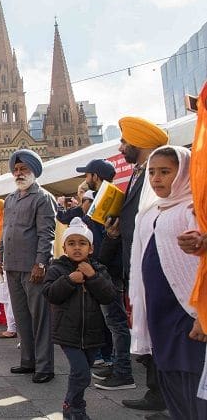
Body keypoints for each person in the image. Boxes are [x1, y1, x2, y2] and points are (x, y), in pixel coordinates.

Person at [128, 146, 206, 418]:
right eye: (151, 172)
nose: (156, 179)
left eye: (165, 172)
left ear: (183, 172)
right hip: (159, 312)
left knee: (194, 379)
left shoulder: (193, 209)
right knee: (169, 374)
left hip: (187, 312)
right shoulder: (149, 213)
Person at [97, 117, 169, 399]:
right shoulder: (140, 173)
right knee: (147, 327)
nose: (121, 146)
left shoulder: (154, 174)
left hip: (150, 265)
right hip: (134, 262)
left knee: (156, 329)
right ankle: (156, 391)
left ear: (139, 143)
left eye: (125, 142)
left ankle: (162, 394)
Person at [43, 218, 116, 420]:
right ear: (65, 247)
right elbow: (49, 293)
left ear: (90, 248)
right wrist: (68, 280)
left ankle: (73, 405)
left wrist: (92, 277)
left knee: (81, 374)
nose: (77, 248)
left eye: (82, 243)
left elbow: (109, 295)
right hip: (68, 332)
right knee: (82, 373)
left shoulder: (98, 269)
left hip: (93, 333)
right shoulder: (57, 268)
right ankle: (74, 406)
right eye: (72, 243)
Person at [0, 148, 57, 384]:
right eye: (16, 169)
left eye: (24, 169)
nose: (19, 173)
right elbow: (5, 232)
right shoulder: (10, 199)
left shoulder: (43, 197)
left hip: (33, 268)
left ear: (34, 171)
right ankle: (28, 361)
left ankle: (44, 366)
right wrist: (0, 259)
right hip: (11, 266)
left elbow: (46, 234)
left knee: (40, 318)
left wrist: (41, 262)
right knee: (22, 318)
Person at [0, 199, 17, 339]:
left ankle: (12, 328)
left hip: (6, 265)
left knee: (9, 297)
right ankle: (10, 326)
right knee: (3, 297)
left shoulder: (6, 223)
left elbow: (4, 244)